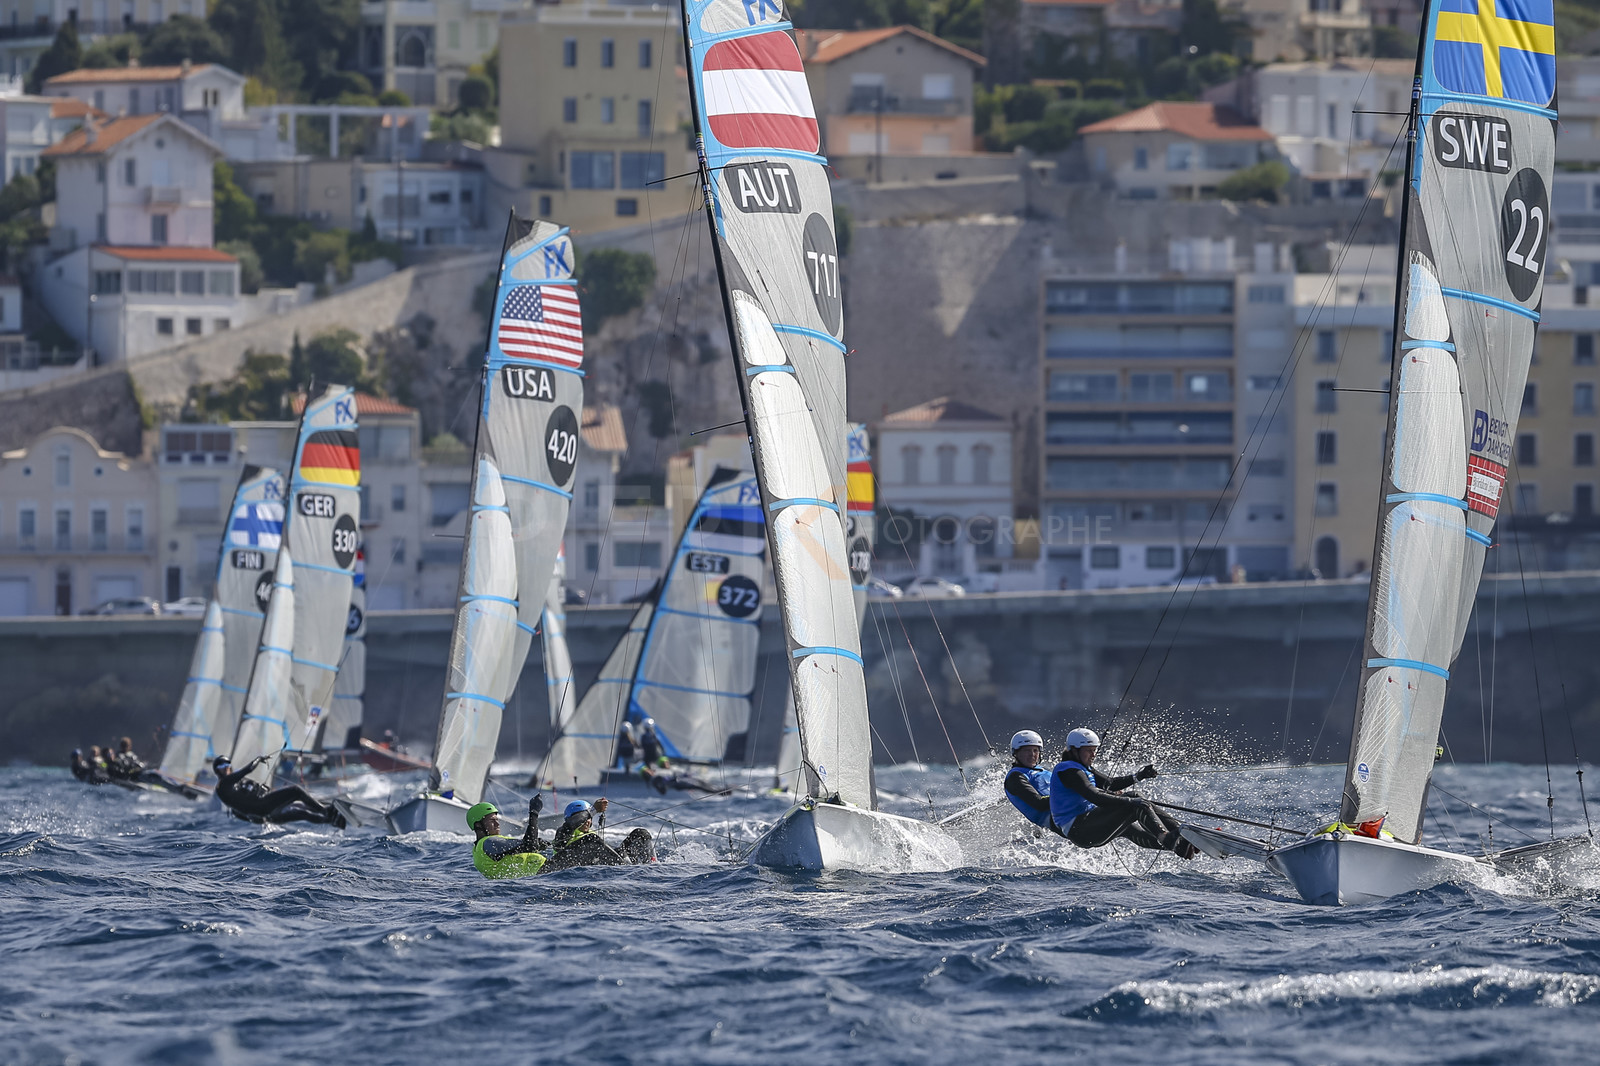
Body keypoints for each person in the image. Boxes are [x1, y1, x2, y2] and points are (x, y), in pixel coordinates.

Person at [1049, 728, 1196, 859]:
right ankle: (1167, 837)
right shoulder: (1068, 770)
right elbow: (1094, 796)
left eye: (1094, 750)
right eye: (1089, 750)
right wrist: (1129, 802)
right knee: (1134, 802)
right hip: (1080, 829)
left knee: (1132, 821)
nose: (1093, 754)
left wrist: (1139, 776)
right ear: (1074, 750)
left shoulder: (1083, 767)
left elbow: (1110, 784)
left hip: (1088, 824)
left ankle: (1180, 842)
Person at [212, 755, 346, 827]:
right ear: (217, 770)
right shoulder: (224, 784)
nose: (226, 768)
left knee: (302, 813)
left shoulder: (229, 788)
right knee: (296, 791)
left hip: (266, 815)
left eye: (228, 765)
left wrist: (260, 819)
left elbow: (242, 813)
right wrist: (259, 759)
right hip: (263, 807)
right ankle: (325, 810)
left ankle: (332, 821)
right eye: (222, 766)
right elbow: (248, 770)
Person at [546, 798, 655, 870]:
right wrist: (593, 810)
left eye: (589, 819)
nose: (587, 821)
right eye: (584, 818)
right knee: (591, 840)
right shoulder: (563, 831)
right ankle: (625, 868)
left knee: (641, 833)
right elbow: (572, 824)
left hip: (597, 862)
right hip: (565, 866)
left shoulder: (591, 834)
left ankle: (651, 865)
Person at [469, 796, 549, 879]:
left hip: (536, 877)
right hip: (544, 873)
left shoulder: (479, 849)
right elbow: (530, 845)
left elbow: (523, 847)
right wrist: (534, 812)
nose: (497, 824)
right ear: (478, 825)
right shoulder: (489, 842)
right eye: (492, 821)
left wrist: (539, 844)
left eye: (497, 820)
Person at [1003, 730, 1056, 832]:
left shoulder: (1044, 771)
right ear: (1016, 753)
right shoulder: (1015, 777)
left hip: (1070, 812)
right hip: (1058, 822)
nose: (1032, 754)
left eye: (1035, 750)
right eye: (1026, 751)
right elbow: (1039, 803)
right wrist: (1069, 796)